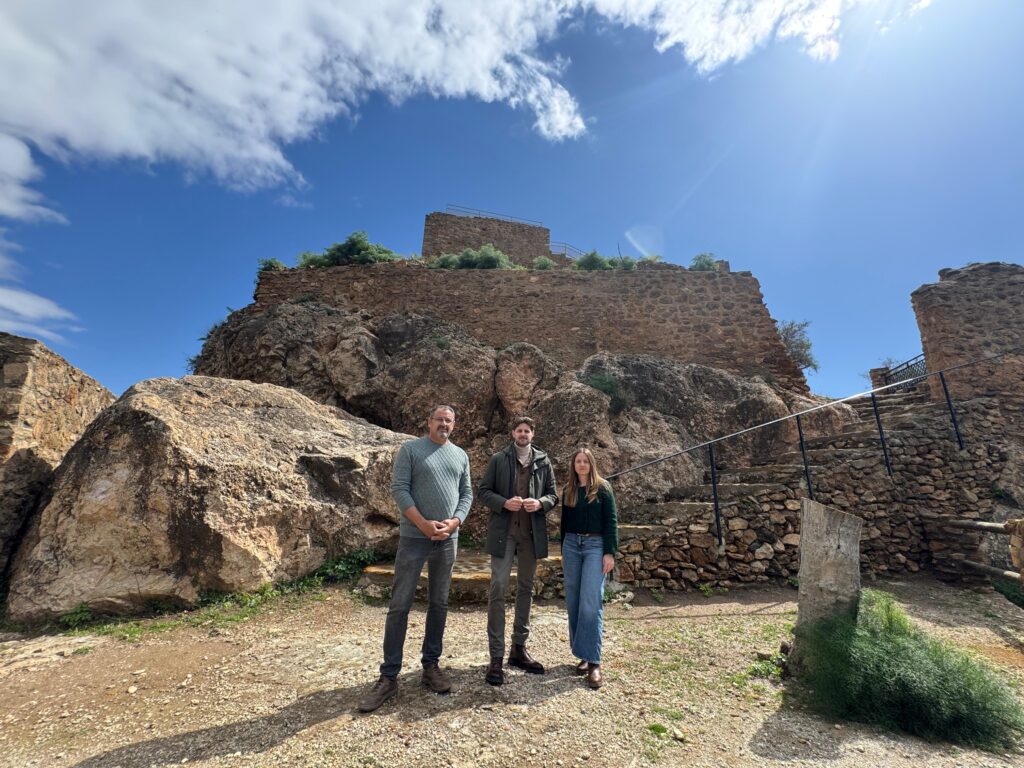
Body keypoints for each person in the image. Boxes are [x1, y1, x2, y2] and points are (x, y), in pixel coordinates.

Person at [357, 405, 472, 713]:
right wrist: (422, 523)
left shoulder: (461, 455)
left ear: (453, 425)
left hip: (447, 540)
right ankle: (389, 676)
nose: (444, 424)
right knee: (399, 605)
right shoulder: (411, 450)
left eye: (449, 420)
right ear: (429, 422)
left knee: (439, 603)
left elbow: (467, 495)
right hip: (413, 538)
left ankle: (431, 666)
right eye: (439, 419)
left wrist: (454, 522)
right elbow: (399, 489)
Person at [478, 415, 559, 686]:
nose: (523, 434)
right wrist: (503, 502)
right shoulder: (499, 459)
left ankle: (518, 649)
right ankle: (496, 658)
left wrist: (541, 503)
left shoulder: (543, 461)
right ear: (513, 433)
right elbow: (483, 492)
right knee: (498, 588)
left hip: (530, 535)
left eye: (527, 430)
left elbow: (553, 494)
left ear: (533, 434)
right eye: (519, 430)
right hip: (504, 534)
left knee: (526, 588)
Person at [560, 447, 618, 690]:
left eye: (585, 461)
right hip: (572, 545)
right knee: (573, 600)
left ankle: (594, 662)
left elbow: (611, 520)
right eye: (578, 461)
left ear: (591, 464)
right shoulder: (569, 490)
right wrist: (562, 549)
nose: (581, 465)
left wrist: (610, 552)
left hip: (595, 545)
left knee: (591, 601)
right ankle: (582, 654)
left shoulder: (603, 488)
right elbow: (564, 523)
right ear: (574, 465)